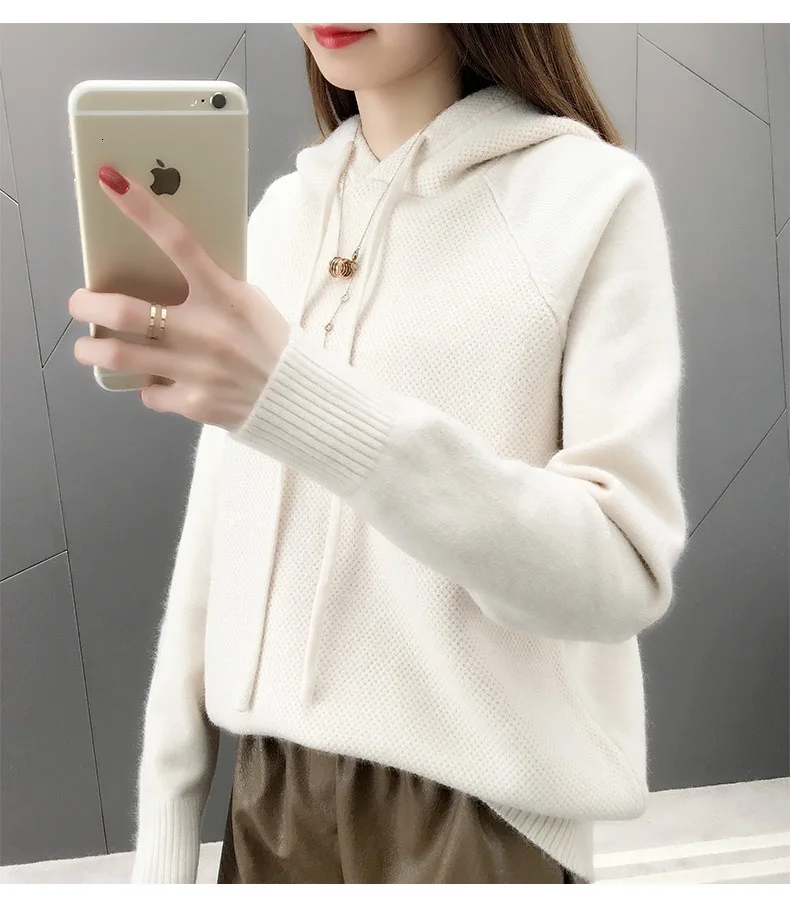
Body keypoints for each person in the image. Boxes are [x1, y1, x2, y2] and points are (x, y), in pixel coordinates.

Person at [70, 23, 687, 884]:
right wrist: (166, 845)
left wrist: (305, 406)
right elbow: (213, 544)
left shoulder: (588, 197)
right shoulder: (281, 216)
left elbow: (620, 574)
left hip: (473, 822)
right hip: (269, 805)